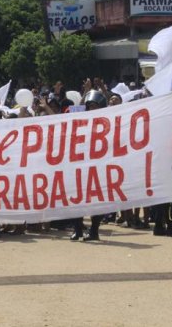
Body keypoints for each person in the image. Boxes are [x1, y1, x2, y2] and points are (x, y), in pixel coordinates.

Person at [70, 90, 108, 241]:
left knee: (97, 199)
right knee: (76, 197)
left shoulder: (108, 119)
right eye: (90, 106)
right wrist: (85, 92)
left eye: (95, 106)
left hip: (99, 164)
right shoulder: (81, 119)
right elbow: (72, 116)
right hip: (80, 163)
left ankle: (94, 230)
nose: (92, 109)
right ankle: (78, 229)